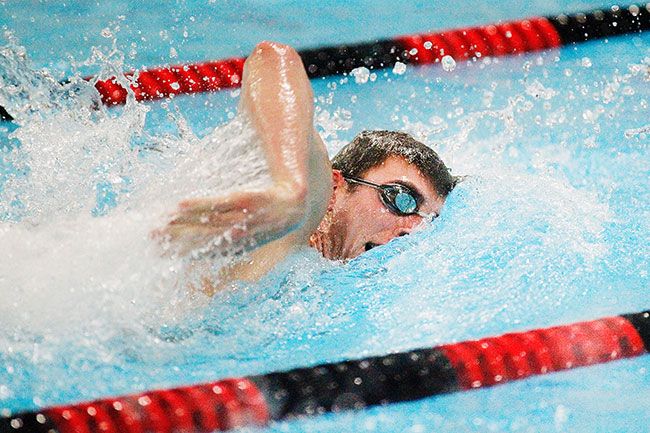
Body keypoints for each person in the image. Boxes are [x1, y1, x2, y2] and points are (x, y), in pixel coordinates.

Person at [157, 41, 456, 289]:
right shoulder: (286, 233)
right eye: (401, 200)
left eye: (426, 221)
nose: (411, 230)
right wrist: (289, 192)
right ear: (335, 189)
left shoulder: (325, 281)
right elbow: (273, 58)